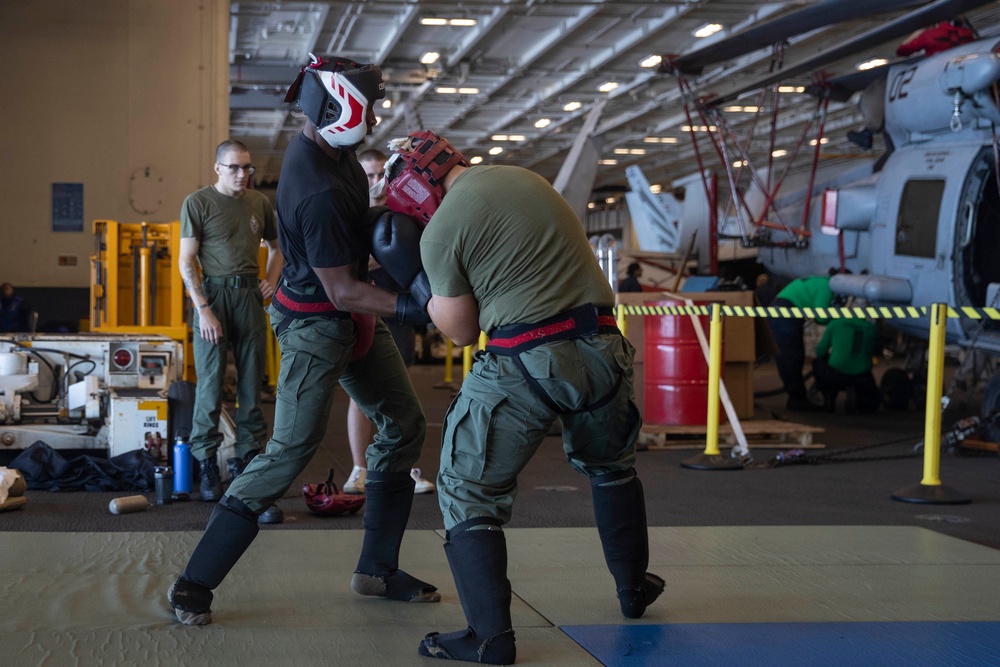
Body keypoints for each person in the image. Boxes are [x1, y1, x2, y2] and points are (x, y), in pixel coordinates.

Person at [168, 55, 439, 627]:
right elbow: (341, 289)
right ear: (339, 106)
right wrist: (421, 306)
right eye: (368, 105)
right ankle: (193, 582)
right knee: (289, 450)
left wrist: (396, 210)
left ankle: (377, 569)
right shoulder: (313, 184)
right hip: (318, 323)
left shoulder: (330, 151)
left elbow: (350, 228)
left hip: (348, 315)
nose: (374, 115)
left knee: (405, 422)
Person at [373, 131, 663, 664]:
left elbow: (460, 332)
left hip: (528, 357)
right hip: (604, 349)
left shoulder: (439, 234)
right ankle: (633, 588)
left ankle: (490, 637)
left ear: (414, 189)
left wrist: (416, 278)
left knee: (465, 486)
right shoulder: (525, 178)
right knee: (612, 466)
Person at [178, 140, 284, 508]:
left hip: (250, 298)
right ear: (218, 168)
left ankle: (245, 462)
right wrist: (203, 308)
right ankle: (207, 464)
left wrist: (271, 278)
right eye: (235, 168)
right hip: (213, 297)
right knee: (209, 384)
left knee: (252, 382)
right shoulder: (198, 203)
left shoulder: (259, 203)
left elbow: (276, 247)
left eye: (247, 168)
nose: (243, 175)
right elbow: (186, 261)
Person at [343, 148, 433, 495]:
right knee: (362, 395)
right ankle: (359, 470)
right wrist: (389, 254)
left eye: (381, 173)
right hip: (365, 309)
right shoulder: (353, 215)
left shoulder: (403, 212)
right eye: (368, 175)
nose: (376, 181)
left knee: (400, 394)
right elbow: (349, 267)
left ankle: (400, 468)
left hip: (399, 308)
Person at [766, 274, 834, 411]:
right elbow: (821, 316)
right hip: (786, 312)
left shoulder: (819, 281)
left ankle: (796, 397)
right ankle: (797, 398)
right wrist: (839, 320)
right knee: (791, 356)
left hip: (780, 309)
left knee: (791, 355)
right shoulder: (827, 287)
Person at [812, 315, 881, 414]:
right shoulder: (872, 328)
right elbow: (876, 351)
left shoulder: (835, 324)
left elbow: (820, 351)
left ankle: (829, 399)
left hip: (835, 375)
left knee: (818, 363)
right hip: (862, 377)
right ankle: (860, 400)